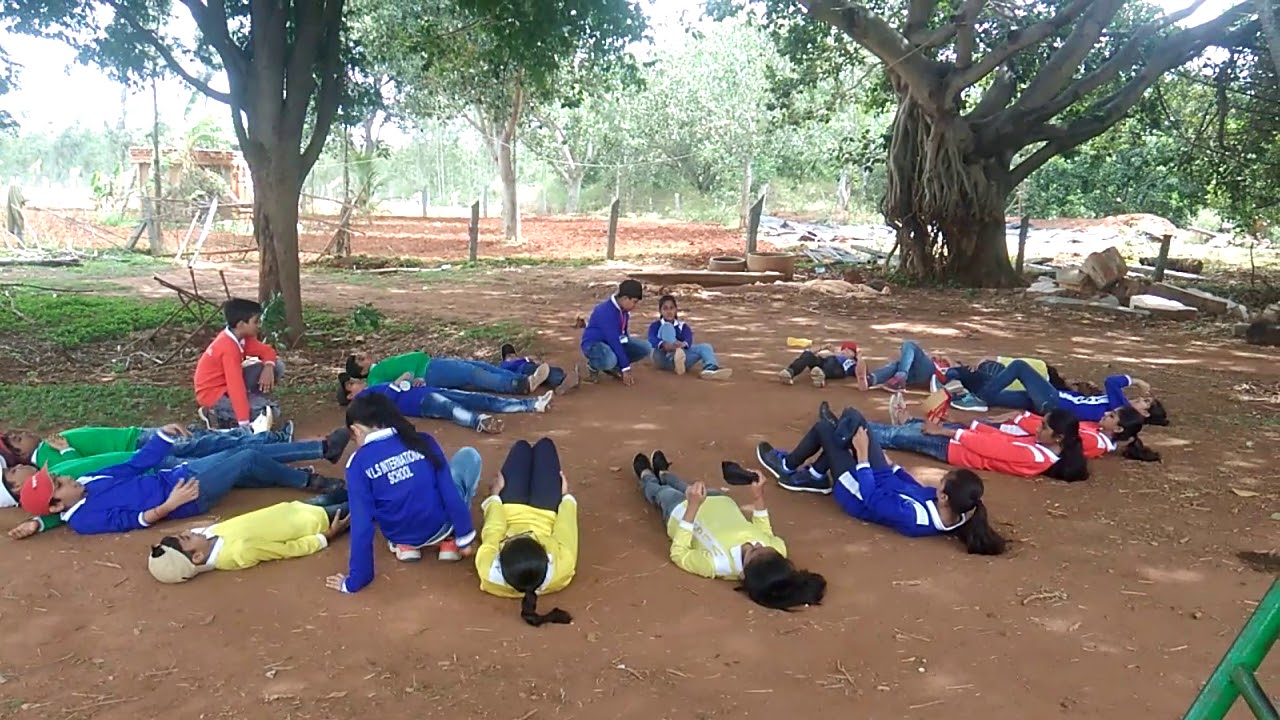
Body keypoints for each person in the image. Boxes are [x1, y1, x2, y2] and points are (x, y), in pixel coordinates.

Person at [4, 426, 351, 538]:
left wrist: (163, 436)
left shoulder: (86, 479)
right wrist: (171, 504)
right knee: (245, 459)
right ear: (57, 504)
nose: (65, 477)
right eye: (60, 483)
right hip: (186, 494)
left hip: (177, 475)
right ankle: (315, 475)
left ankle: (315, 471)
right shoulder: (82, 520)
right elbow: (133, 520)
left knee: (245, 465)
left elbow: (138, 463)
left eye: (58, 475)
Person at [755, 415, 1006, 555]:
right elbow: (914, 487)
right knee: (856, 419)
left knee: (824, 429)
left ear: (943, 497)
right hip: (883, 477)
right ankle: (824, 462)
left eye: (942, 483)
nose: (938, 483)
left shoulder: (913, 518)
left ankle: (789, 465)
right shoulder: (959, 510)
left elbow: (872, 499)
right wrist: (893, 465)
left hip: (856, 492)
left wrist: (863, 456)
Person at [324, 394, 482, 594]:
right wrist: (465, 537)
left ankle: (406, 547)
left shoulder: (356, 463)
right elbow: (449, 493)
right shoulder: (422, 441)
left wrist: (355, 581)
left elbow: (362, 525)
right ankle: (451, 540)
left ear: (355, 429)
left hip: (397, 533)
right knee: (468, 457)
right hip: (438, 526)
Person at [630, 450, 826, 609]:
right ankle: (664, 473)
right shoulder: (776, 550)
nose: (756, 543)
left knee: (661, 493)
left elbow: (679, 554)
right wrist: (758, 497)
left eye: (752, 550)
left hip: (680, 511)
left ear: (742, 575)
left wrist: (692, 507)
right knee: (682, 484)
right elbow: (764, 531)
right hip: (717, 499)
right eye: (764, 546)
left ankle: (647, 476)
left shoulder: (716, 564)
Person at [475, 438, 577, 627]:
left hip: (509, 508)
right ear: (543, 554)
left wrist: (495, 496)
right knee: (544, 446)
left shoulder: (488, 570)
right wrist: (566, 497)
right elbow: (566, 529)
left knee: (522, 447)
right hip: (546, 510)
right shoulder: (562, 568)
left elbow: (494, 529)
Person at [148, 490, 351, 583]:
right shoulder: (239, 552)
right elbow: (288, 550)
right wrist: (327, 536)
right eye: (186, 538)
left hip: (300, 508)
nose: (188, 532)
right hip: (318, 522)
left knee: (349, 491)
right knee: (366, 501)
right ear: (198, 557)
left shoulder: (208, 537)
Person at [4, 422, 296, 471]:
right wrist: (66, 448)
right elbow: (77, 468)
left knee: (202, 441)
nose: (23, 433)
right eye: (18, 439)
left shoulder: (45, 445)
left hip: (134, 437)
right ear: (20, 455)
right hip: (137, 445)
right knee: (203, 444)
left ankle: (262, 440)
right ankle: (269, 440)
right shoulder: (47, 457)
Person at [958, 359, 1168, 425]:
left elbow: (1111, 381)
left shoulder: (1120, 407)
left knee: (1020, 367)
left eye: (1145, 402)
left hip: (1054, 402)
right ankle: (969, 387)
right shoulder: (1118, 407)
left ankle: (977, 398)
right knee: (998, 397)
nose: (1140, 398)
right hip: (1052, 402)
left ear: (1145, 414)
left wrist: (1136, 381)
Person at [337, 373, 553, 434]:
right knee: (452, 409)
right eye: (351, 385)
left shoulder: (371, 387)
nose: (357, 383)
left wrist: (412, 381)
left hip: (426, 391)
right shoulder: (364, 400)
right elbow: (386, 403)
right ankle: (480, 422)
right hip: (422, 402)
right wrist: (397, 383)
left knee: (477, 398)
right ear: (349, 396)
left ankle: (532, 405)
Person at [194, 298, 283, 431]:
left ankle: (248, 405)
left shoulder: (241, 338)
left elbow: (267, 351)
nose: (258, 325)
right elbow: (235, 387)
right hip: (213, 394)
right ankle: (216, 415)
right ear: (241, 324)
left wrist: (268, 367)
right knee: (270, 411)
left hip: (225, 388)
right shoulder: (228, 348)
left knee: (278, 366)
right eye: (255, 322)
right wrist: (244, 424)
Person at [976, 407, 1161, 462]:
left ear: (1118, 429)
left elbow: (1051, 429)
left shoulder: (1094, 442)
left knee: (966, 429)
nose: (1105, 414)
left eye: (1111, 416)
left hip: (1018, 436)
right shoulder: (1095, 432)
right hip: (1020, 433)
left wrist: (1020, 418)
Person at [346, 349, 550, 396]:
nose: (365, 355)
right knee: (471, 373)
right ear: (361, 370)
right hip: (429, 371)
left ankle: (522, 379)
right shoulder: (374, 378)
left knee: (478, 367)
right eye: (361, 359)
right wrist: (413, 376)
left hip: (430, 363)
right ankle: (520, 385)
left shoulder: (379, 367)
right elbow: (387, 391)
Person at [580, 279, 652, 385]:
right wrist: (625, 368)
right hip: (594, 345)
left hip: (611, 343)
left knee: (646, 347)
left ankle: (614, 367)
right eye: (634, 302)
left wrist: (623, 362)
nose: (635, 306)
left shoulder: (624, 311)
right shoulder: (605, 311)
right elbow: (614, 340)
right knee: (610, 359)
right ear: (625, 298)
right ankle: (593, 366)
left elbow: (623, 336)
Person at [646, 295, 732, 381]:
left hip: (680, 359)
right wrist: (664, 344)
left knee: (705, 347)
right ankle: (675, 356)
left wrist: (682, 344)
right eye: (665, 308)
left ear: (676, 310)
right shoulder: (655, 325)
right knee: (667, 327)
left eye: (671, 308)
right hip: (662, 358)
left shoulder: (682, 326)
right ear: (660, 311)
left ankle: (710, 369)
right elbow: (652, 339)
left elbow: (689, 339)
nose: (669, 311)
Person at [499, 343, 580, 394]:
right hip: (525, 368)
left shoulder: (503, 365)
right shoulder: (515, 361)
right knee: (547, 371)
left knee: (546, 375)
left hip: (526, 374)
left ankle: (560, 382)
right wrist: (527, 359)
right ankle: (562, 379)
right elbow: (531, 361)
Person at [777, 342, 862, 388]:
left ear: (854, 354)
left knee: (832, 360)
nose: (845, 351)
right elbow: (810, 351)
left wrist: (859, 358)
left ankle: (821, 377)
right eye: (844, 349)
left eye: (849, 350)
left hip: (838, 369)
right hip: (825, 363)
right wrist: (823, 347)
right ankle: (790, 372)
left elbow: (862, 372)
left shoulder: (853, 362)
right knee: (808, 355)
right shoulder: (835, 354)